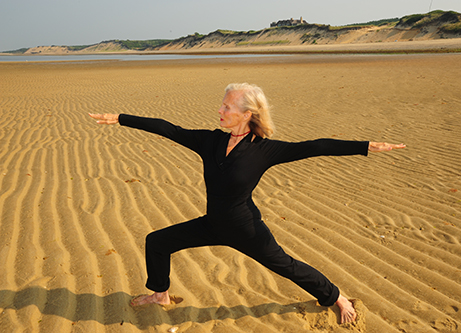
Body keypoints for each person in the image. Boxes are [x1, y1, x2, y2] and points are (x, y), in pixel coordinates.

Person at [89, 83, 405, 324]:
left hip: (245, 229)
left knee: (287, 266)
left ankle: (335, 298)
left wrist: (365, 146)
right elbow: (168, 129)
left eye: (227, 107)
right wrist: (119, 118)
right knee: (157, 242)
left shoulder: (264, 150)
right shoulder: (210, 140)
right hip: (213, 223)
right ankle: (160, 294)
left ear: (246, 114)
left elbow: (315, 146)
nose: (220, 111)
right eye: (222, 105)